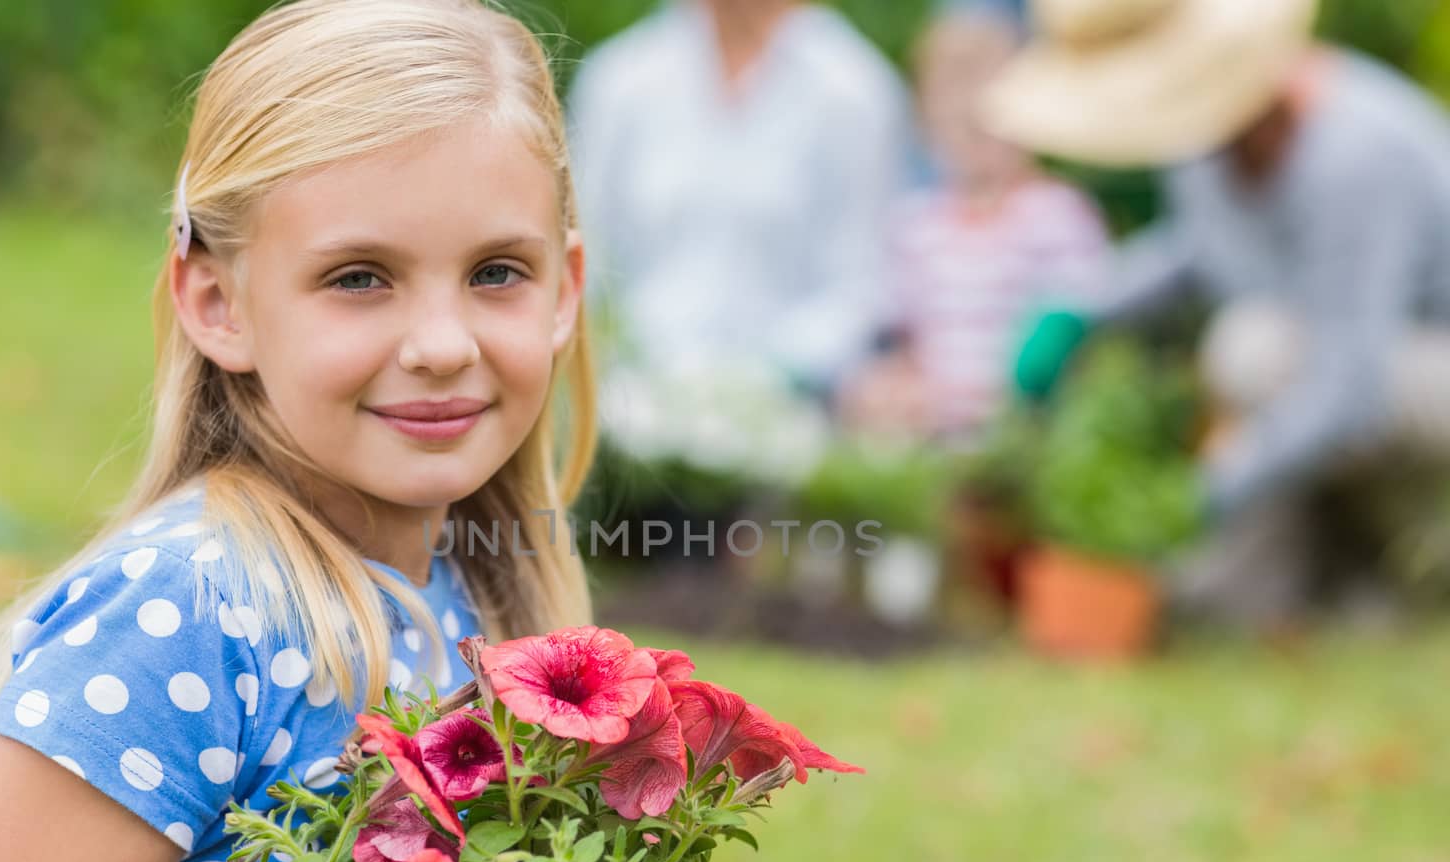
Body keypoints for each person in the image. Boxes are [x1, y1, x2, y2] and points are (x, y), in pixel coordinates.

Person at [0, 2, 663, 862]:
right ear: (216, 300)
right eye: (358, 278)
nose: (440, 342)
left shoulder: (475, 593)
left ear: (564, 290)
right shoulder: (188, 610)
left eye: (495, 273)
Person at [984, 0, 1450, 624]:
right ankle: (1321, 588)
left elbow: (1351, 385)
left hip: (1414, 377)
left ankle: (1402, 560)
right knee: (1228, 602)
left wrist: (1209, 491)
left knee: (1251, 348)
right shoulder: (1212, 142)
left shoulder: (1356, 157)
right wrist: (1083, 310)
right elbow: (1205, 250)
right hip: (1333, 379)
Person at [569, 0, 912, 482]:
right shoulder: (621, 79)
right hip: (624, 425)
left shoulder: (854, 91)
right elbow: (588, 257)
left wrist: (766, 377)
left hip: (789, 436)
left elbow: (863, 283)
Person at [838, 6, 1108, 446]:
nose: (973, 128)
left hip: (1023, 436)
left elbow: (1082, 317)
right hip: (931, 435)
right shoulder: (915, 227)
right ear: (928, 123)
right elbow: (897, 335)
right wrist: (893, 386)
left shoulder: (1056, 215)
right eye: (957, 115)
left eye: (989, 115)